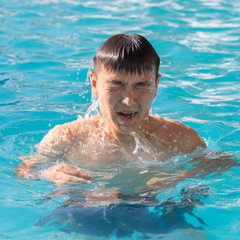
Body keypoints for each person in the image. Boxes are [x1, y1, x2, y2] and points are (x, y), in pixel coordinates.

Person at [15, 33, 206, 186]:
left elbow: (220, 164)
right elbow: (23, 171)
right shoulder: (68, 137)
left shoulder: (180, 138)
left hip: (155, 206)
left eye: (141, 85)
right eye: (115, 85)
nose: (129, 100)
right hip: (88, 206)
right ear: (95, 84)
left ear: (156, 86)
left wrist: (179, 177)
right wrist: (46, 173)